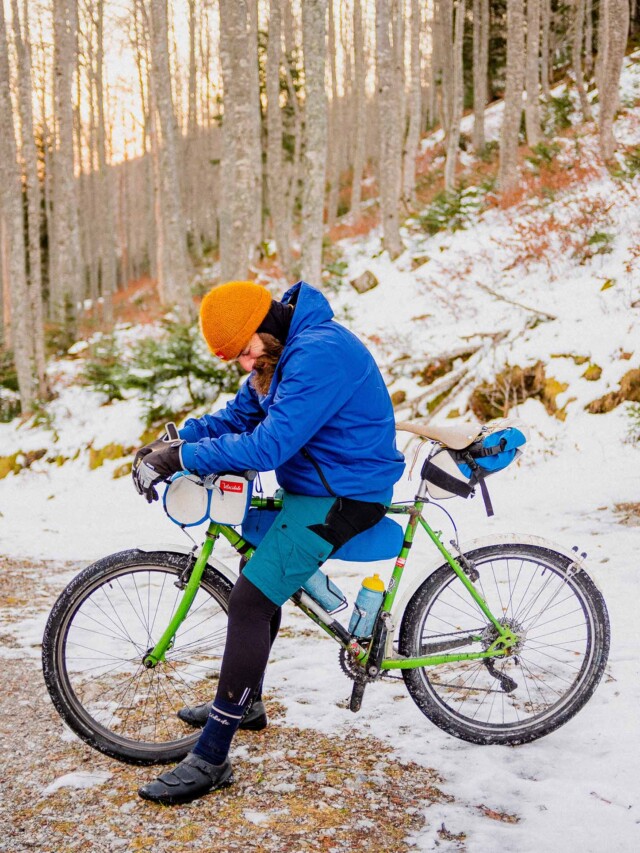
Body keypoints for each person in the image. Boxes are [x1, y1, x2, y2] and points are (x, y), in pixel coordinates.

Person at [132, 280, 405, 805]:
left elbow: (269, 444)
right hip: (313, 486)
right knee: (258, 569)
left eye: (244, 351)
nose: (243, 363)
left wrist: (184, 461)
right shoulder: (277, 353)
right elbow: (239, 419)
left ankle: (211, 757)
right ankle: (247, 699)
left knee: (250, 602)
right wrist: (173, 443)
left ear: (264, 326)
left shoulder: (320, 353)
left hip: (348, 493)